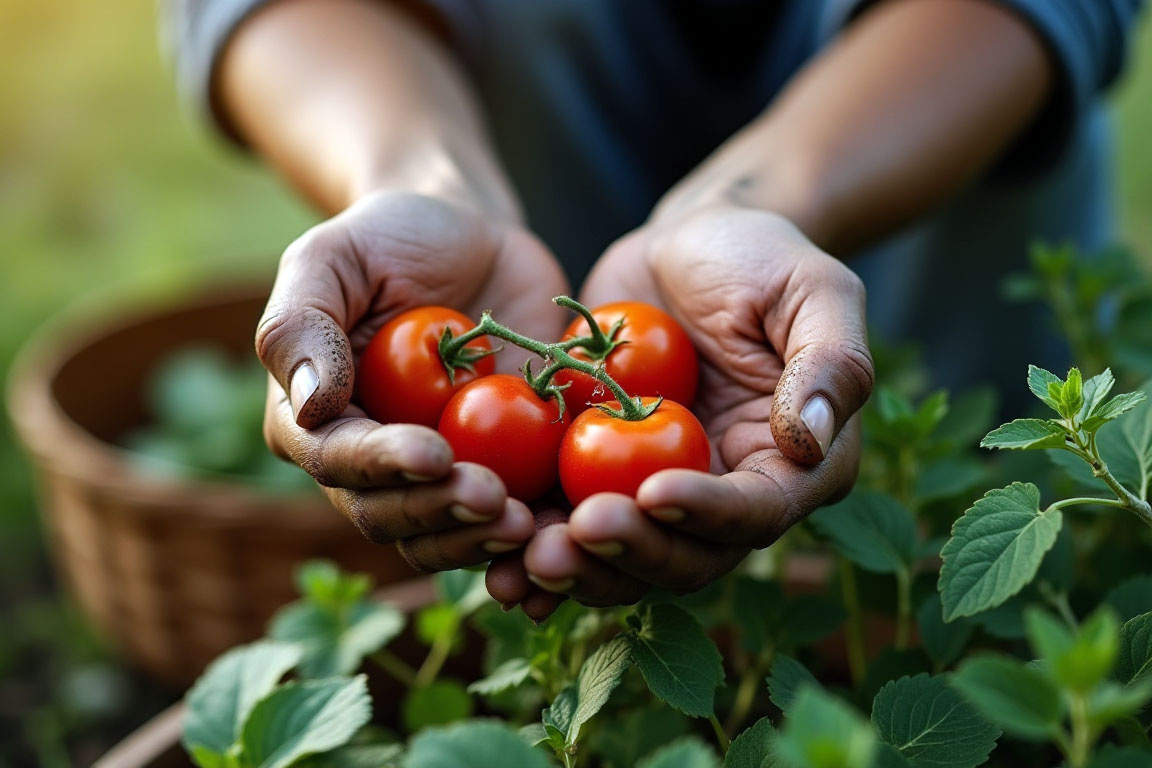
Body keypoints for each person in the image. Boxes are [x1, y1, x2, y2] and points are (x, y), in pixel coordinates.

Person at [167, 0, 1143, 619]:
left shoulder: (524, 384)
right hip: (493, 108)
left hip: (945, 216)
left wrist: (759, 200)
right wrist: (417, 176)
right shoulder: (576, 385)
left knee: (974, 590)